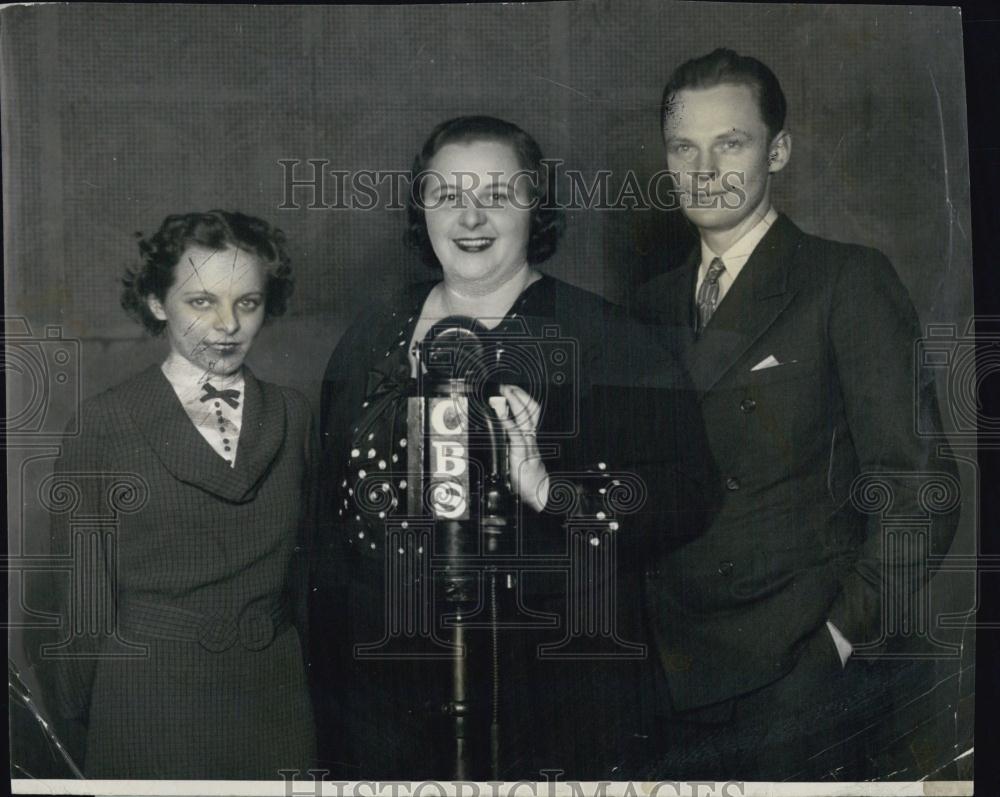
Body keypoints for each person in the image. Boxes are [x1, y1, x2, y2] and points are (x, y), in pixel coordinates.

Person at [311, 115, 713, 779]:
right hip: (383, 700)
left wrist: (555, 491)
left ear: (536, 207)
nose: (471, 216)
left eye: (498, 194)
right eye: (448, 195)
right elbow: (324, 523)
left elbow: (688, 494)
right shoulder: (372, 334)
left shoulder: (603, 339)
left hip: (549, 702)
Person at [634, 49, 961, 779]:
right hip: (666, 676)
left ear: (777, 150)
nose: (705, 168)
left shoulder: (844, 280)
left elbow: (921, 491)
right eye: (684, 146)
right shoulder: (647, 305)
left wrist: (838, 641)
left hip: (793, 679)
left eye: (732, 142)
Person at [43, 210, 316, 779]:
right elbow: (81, 603)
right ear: (156, 303)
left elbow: (312, 579)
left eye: (247, 302)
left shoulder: (293, 413)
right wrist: (83, 720)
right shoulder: (105, 422)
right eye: (201, 302)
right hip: (148, 704)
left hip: (277, 703)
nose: (227, 325)